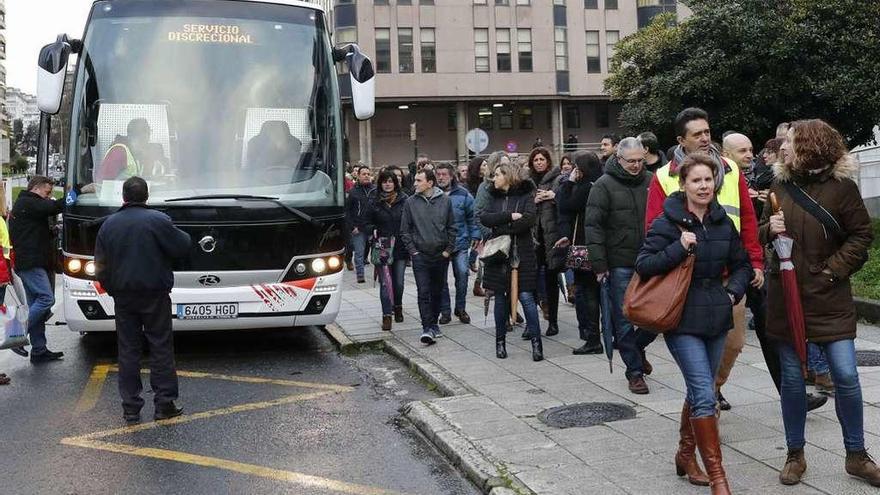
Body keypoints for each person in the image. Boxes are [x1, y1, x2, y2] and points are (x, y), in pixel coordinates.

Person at [760, 119, 879, 487]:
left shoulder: (843, 188)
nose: (783, 148)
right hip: (787, 297)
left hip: (829, 296)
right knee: (793, 380)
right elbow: (762, 232)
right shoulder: (779, 184)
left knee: (845, 374)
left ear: (811, 146)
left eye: (791, 142)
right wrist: (770, 230)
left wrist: (831, 272)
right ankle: (795, 454)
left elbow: (861, 236)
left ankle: (857, 455)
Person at [637, 153, 751, 495]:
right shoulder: (667, 222)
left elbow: (742, 265)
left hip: (716, 317)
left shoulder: (722, 222)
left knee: (698, 389)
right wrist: (678, 247)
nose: (703, 186)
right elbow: (644, 265)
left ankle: (685, 454)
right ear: (683, 185)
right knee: (705, 396)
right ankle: (719, 479)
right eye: (696, 180)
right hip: (681, 320)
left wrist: (731, 293)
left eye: (707, 180)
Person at [645, 108, 764, 413]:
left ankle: (711, 391)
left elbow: (747, 219)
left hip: (729, 275)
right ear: (680, 140)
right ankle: (705, 405)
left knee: (735, 343)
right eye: (696, 134)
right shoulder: (664, 176)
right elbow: (652, 232)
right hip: (686, 279)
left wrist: (755, 262)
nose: (704, 138)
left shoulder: (730, 168)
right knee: (698, 374)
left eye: (707, 132)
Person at [94, 177, 191, 423]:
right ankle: (164, 403)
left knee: (128, 350)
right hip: (155, 294)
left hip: (124, 296)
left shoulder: (108, 225)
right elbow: (183, 246)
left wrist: (113, 289)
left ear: (123, 197)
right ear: (146, 196)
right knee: (160, 347)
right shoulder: (159, 221)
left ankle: (131, 407)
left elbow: (100, 266)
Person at [585, 138, 654, 394]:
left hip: (651, 260)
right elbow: (593, 227)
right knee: (624, 320)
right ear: (619, 159)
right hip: (619, 262)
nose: (637, 166)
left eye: (640, 161)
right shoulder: (603, 185)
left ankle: (636, 347)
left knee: (657, 317)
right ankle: (634, 372)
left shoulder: (651, 181)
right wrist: (599, 264)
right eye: (631, 161)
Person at [480, 161, 542, 361]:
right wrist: (509, 216)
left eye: (497, 174)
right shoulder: (492, 197)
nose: (494, 178)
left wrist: (502, 226)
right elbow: (485, 218)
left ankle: (536, 343)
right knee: (500, 298)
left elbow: (528, 220)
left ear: (507, 176)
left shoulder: (525, 195)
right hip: (498, 256)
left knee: (526, 297)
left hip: (522, 253)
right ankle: (500, 342)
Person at [9, 176, 65, 363]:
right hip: (31, 263)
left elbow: (31, 231)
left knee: (37, 308)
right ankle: (17, 336)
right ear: (36, 188)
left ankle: (39, 350)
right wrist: (76, 194)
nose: (49, 197)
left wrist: (51, 232)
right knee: (46, 299)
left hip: (30, 262)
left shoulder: (27, 205)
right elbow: (55, 207)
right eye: (47, 193)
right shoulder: (28, 202)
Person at [400, 169, 456, 346]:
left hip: (440, 255)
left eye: (418, 180)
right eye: (415, 180)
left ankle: (434, 323)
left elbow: (452, 227)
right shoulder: (410, 202)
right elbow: (405, 230)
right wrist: (413, 252)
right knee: (423, 292)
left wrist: (448, 250)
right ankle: (427, 327)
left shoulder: (445, 201)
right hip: (420, 256)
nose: (414, 183)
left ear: (430, 183)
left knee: (437, 291)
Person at [557, 151, 604, 355]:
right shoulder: (602, 183)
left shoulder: (585, 187)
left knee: (588, 292)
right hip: (601, 245)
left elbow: (566, 205)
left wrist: (568, 183)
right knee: (601, 293)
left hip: (585, 246)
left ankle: (592, 337)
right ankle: (612, 335)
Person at [525, 147, 564, 338]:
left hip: (551, 237)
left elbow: (565, 201)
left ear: (548, 161)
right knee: (530, 282)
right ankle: (531, 324)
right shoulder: (527, 182)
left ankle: (553, 322)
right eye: (536, 160)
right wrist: (535, 199)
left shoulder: (558, 179)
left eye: (542, 159)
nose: (539, 162)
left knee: (551, 280)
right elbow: (522, 206)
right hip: (532, 238)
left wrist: (553, 197)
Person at [435, 163, 480, 325]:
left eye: (444, 174)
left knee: (462, 274)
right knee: (440, 279)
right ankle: (445, 311)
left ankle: (460, 308)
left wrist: (475, 234)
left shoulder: (464, 194)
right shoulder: (432, 194)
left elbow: (472, 216)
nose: (441, 177)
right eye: (438, 174)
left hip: (460, 242)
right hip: (439, 244)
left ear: (452, 176)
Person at [366, 168, 409, 331]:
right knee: (385, 283)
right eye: (385, 181)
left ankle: (397, 305)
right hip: (382, 245)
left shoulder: (404, 199)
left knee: (398, 282)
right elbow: (366, 222)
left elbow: (409, 221)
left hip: (400, 246)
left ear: (395, 183)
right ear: (380, 183)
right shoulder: (374, 200)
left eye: (390, 181)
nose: (388, 184)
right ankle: (386, 316)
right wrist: (373, 230)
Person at [96, 118, 168, 182]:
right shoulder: (118, 152)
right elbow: (103, 183)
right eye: (147, 133)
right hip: (119, 196)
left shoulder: (138, 153)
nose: (148, 139)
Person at [346, 166, 376, 283]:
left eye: (368, 174)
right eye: (364, 174)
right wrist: (352, 227)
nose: (366, 176)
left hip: (373, 227)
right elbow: (347, 211)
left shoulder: (375, 190)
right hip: (358, 228)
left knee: (377, 252)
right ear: (358, 176)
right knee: (359, 253)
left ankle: (379, 274)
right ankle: (360, 275)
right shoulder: (353, 192)